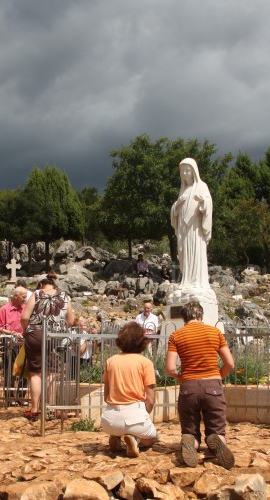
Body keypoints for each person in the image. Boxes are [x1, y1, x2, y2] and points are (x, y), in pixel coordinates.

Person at [165, 301, 235, 469]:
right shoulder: (215, 332)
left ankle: (191, 441)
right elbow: (230, 364)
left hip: (189, 386)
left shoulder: (176, 336)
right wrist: (218, 376)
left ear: (183, 318)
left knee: (189, 427)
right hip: (213, 385)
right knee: (216, 426)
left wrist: (181, 378)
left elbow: (169, 368)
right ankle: (217, 441)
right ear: (201, 316)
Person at [101, 322, 158, 457]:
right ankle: (135, 439)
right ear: (142, 342)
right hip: (135, 414)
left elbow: (106, 395)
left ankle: (116, 436)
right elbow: (150, 400)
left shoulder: (111, 361)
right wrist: (144, 414)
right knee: (152, 438)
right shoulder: (145, 363)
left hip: (109, 420)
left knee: (119, 427)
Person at [21, 276, 74, 420]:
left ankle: (34, 409)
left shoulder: (37, 294)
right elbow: (70, 320)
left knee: (35, 373)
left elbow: (25, 317)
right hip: (55, 336)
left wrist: (27, 330)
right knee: (51, 373)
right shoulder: (64, 296)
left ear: (40, 284)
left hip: (36, 334)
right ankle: (51, 409)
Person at [170, 158, 213, 290]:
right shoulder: (183, 190)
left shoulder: (201, 186)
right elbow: (175, 210)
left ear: (194, 171)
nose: (185, 173)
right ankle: (187, 280)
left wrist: (202, 202)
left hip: (195, 228)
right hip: (183, 228)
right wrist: (177, 204)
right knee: (183, 252)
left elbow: (209, 203)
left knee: (195, 252)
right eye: (182, 171)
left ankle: (196, 281)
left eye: (187, 170)